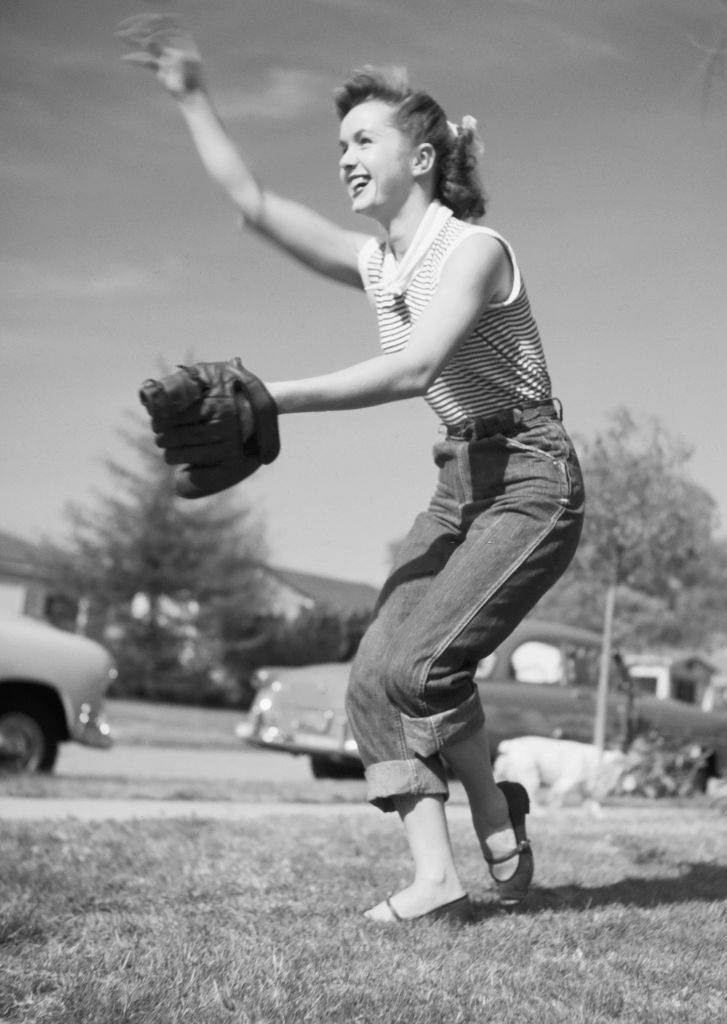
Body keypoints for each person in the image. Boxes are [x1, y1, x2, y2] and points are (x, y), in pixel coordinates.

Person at [119, 14, 585, 924]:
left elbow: (415, 367)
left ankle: (492, 804)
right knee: (374, 672)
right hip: (460, 480)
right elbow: (255, 205)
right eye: (339, 143)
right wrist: (193, 98)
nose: (344, 156)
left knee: (420, 666)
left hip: (530, 476)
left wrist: (265, 397)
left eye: (363, 139)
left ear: (421, 157)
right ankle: (435, 877)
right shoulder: (378, 261)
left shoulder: (474, 252)